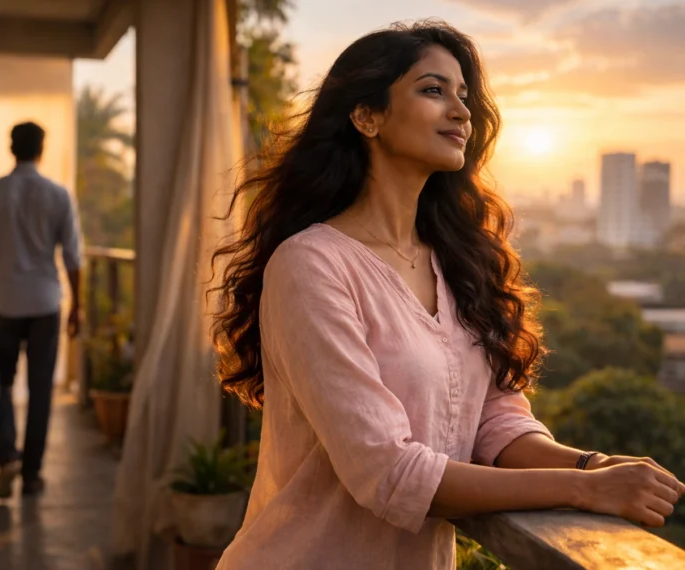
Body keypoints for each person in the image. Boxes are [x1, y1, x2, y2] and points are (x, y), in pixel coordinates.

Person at [209, 21, 685, 569]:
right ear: (367, 116)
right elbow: (386, 470)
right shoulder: (311, 265)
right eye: (433, 90)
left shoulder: (457, 261)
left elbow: (494, 423)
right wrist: (582, 492)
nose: (461, 111)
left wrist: (591, 466)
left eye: (464, 96)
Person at [0, 121, 82, 499]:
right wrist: (77, 304)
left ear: (11, 147)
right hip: (45, 303)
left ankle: (6, 459)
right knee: (40, 389)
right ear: (41, 149)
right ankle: (32, 474)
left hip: (4, 303)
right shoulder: (58, 195)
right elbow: (73, 257)